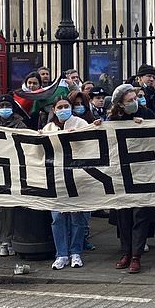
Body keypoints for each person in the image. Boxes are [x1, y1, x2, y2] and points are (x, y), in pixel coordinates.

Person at [107, 84, 155, 274]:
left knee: (140, 215)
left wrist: (144, 126)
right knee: (123, 216)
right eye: (129, 101)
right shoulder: (113, 118)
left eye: (135, 98)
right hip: (121, 173)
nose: (134, 102)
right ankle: (126, 252)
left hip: (142, 171)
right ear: (120, 103)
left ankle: (136, 255)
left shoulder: (148, 113)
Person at [42, 96, 95, 269]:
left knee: (77, 218)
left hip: (77, 178)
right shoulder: (48, 127)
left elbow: (91, 145)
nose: (63, 109)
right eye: (60, 107)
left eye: (66, 106)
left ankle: (76, 252)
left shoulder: (80, 123)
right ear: (54, 110)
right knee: (57, 218)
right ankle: (61, 254)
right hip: (56, 178)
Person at [0, 95, 30, 257]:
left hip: (12, 169)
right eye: (1, 105)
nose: (5, 108)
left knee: (9, 207)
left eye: (7, 105)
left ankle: (8, 238)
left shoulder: (20, 124)